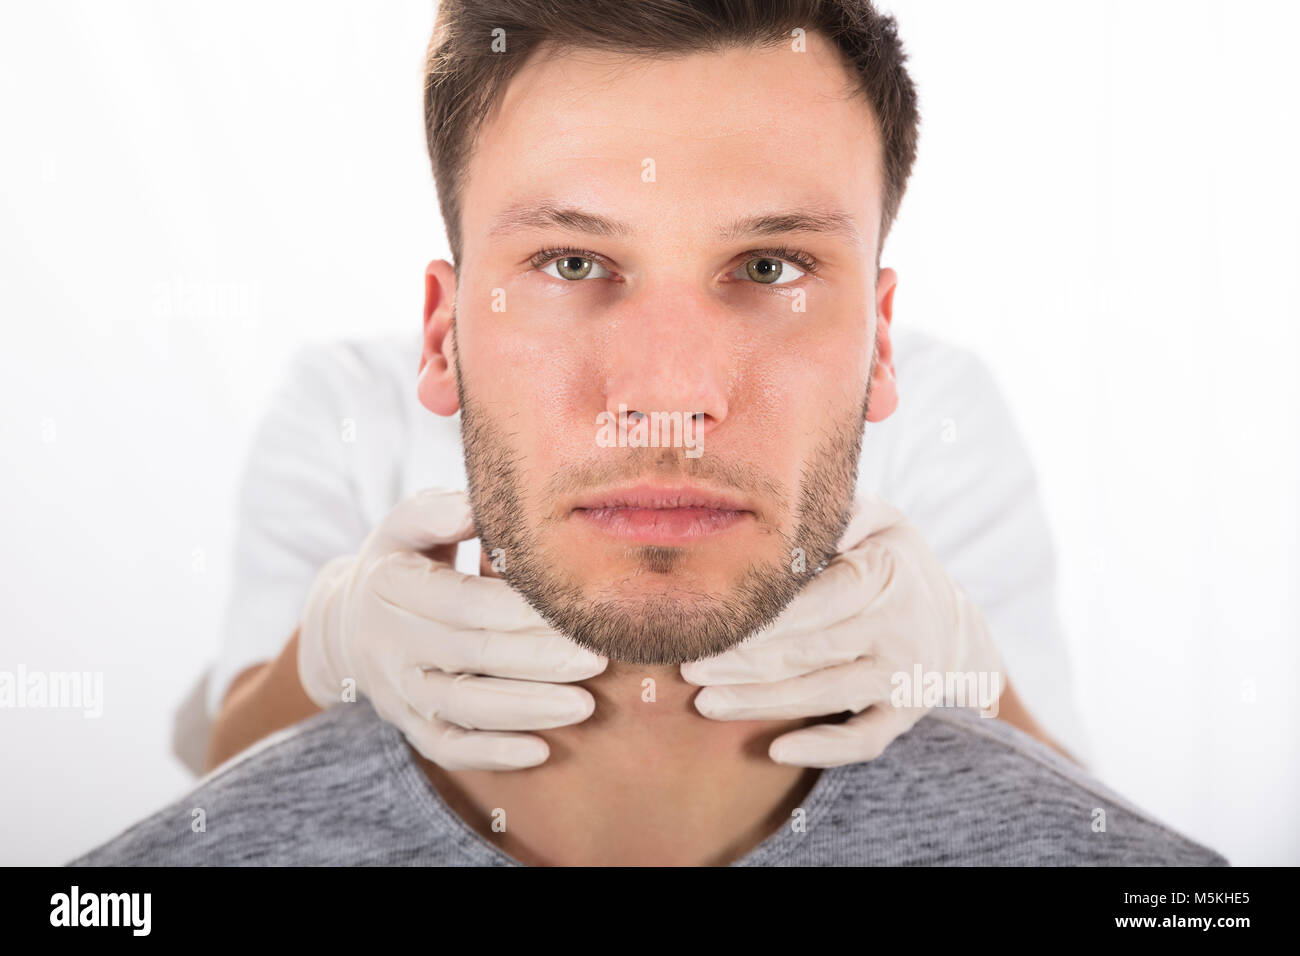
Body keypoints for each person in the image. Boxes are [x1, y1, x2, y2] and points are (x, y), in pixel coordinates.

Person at [78, 0, 1220, 867]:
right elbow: (239, 781)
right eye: (572, 262)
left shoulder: (955, 421)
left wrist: (962, 669)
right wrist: (328, 646)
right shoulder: (332, 408)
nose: (668, 397)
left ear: (881, 344)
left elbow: (1065, 810)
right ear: (441, 333)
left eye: (768, 266)